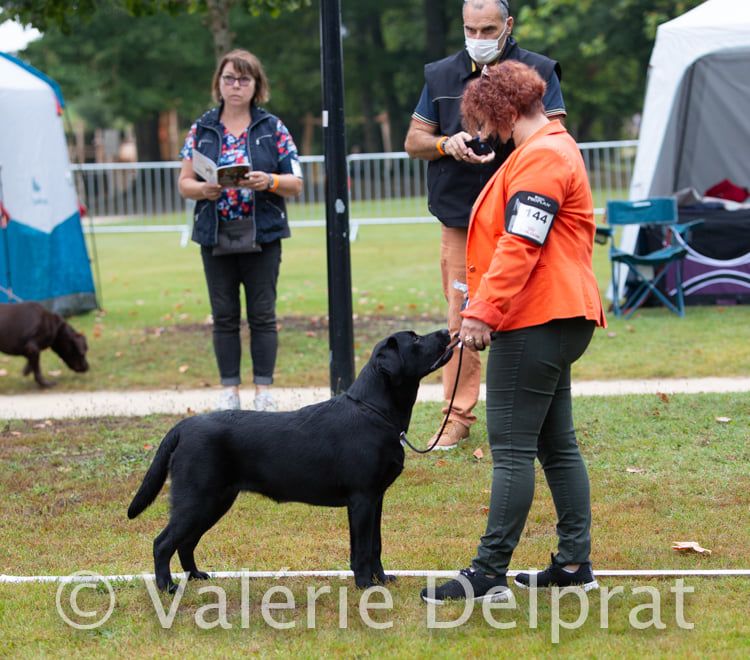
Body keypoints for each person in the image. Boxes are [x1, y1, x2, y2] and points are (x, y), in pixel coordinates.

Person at [420, 61, 606, 605]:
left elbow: (522, 242)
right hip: (556, 316)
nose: (484, 131)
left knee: (511, 449)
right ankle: (573, 564)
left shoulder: (544, 156)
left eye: (483, 118)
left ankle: (487, 573)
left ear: (502, 110)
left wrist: (483, 312)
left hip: (538, 317)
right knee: (555, 443)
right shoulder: (546, 147)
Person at [404, 0, 566, 450]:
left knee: (533, 315)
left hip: (522, 214)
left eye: (488, 27)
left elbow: (555, 134)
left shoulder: (538, 70)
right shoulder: (439, 74)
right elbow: (413, 141)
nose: (478, 35)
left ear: (508, 25)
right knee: (461, 320)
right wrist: (443, 143)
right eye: (470, 28)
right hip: (460, 217)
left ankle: (535, 419)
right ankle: (455, 419)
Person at [178, 49, 303, 412]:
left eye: (244, 79)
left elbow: (295, 183)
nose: (236, 86)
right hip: (215, 233)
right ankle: (229, 391)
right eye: (229, 78)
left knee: (263, 314)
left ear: (256, 85)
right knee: (224, 315)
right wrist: (204, 189)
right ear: (218, 83)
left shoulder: (272, 128)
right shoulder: (202, 128)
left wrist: (269, 181)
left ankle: (263, 390)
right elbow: (184, 182)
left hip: (262, 235)